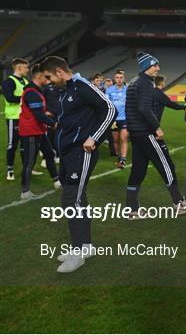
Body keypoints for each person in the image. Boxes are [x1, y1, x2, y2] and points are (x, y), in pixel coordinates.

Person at [40, 56, 117, 273]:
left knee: (70, 199)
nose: (48, 81)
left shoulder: (83, 86)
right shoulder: (67, 90)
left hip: (81, 153)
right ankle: (85, 246)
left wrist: (94, 137)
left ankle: (77, 253)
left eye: (49, 77)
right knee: (77, 199)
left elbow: (110, 109)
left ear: (59, 72)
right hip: (67, 153)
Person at [125, 52, 186, 219]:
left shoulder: (133, 82)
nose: (158, 68)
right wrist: (157, 128)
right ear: (147, 66)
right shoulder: (145, 83)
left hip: (136, 132)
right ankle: (179, 203)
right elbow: (144, 108)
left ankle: (131, 208)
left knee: (138, 170)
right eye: (155, 65)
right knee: (166, 165)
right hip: (146, 132)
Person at [19, 64, 61, 199]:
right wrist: (54, 123)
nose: (48, 78)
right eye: (46, 75)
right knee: (29, 161)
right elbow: (39, 115)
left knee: (49, 154)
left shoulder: (35, 90)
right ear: (39, 75)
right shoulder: (31, 92)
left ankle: (57, 181)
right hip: (30, 131)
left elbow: (40, 113)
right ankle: (25, 192)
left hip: (38, 130)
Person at [3, 58, 30, 181]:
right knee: (12, 145)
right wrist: (26, 98)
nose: (28, 70)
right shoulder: (9, 81)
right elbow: (9, 98)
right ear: (19, 68)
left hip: (25, 118)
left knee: (25, 144)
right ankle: (10, 170)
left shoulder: (25, 80)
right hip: (13, 117)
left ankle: (26, 168)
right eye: (26, 68)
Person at [106, 71, 128, 168]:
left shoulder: (128, 90)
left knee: (123, 138)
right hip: (114, 119)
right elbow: (107, 104)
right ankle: (119, 156)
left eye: (121, 77)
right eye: (117, 77)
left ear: (123, 79)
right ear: (115, 79)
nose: (119, 79)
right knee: (116, 139)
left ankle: (122, 160)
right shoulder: (109, 90)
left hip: (125, 118)